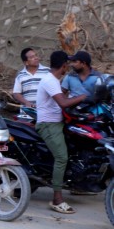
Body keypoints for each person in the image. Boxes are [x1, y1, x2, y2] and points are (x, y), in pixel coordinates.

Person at [37, 50, 89, 212]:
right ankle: (57, 199)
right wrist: (82, 97)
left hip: (58, 122)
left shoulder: (54, 80)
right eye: (68, 64)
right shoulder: (50, 81)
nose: (70, 66)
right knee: (61, 157)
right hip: (48, 124)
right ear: (64, 66)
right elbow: (63, 103)